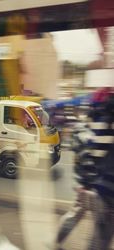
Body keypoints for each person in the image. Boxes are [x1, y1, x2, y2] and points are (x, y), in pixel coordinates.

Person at [53, 92, 114, 250]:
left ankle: (57, 242)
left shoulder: (86, 127)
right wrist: (87, 183)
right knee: (99, 229)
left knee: (87, 221)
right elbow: (94, 155)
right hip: (92, 185)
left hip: (90, 183)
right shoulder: (98, 128)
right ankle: (57, 242)